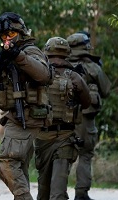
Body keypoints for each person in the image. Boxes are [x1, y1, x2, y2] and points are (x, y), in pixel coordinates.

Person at [0, 12, 52, 200]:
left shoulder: (31, 51)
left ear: (20, 33)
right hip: (16, 117)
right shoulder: (5, 55)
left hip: (28, 116)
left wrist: (18, 56)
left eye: (10, 35)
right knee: (19, 167)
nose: (7, 39)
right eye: (3, 36)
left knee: (7, 164)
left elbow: (43, 75)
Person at [35, 37, 91, 200]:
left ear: (46, 52)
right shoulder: (74, 76)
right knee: (57, 191)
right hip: (64, 136)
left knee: (43, 191)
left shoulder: (37, 74)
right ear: (67, 53)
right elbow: (86, 103)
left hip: (42, 137)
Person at [66, 32, 111, 200]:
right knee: (85, 155)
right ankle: (81, 194)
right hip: (85, 119)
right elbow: (106, 90)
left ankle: (57, 193)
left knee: (63, 155)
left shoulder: (58, 65)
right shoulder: (92, 67)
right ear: (85, 46)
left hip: (62, 118)